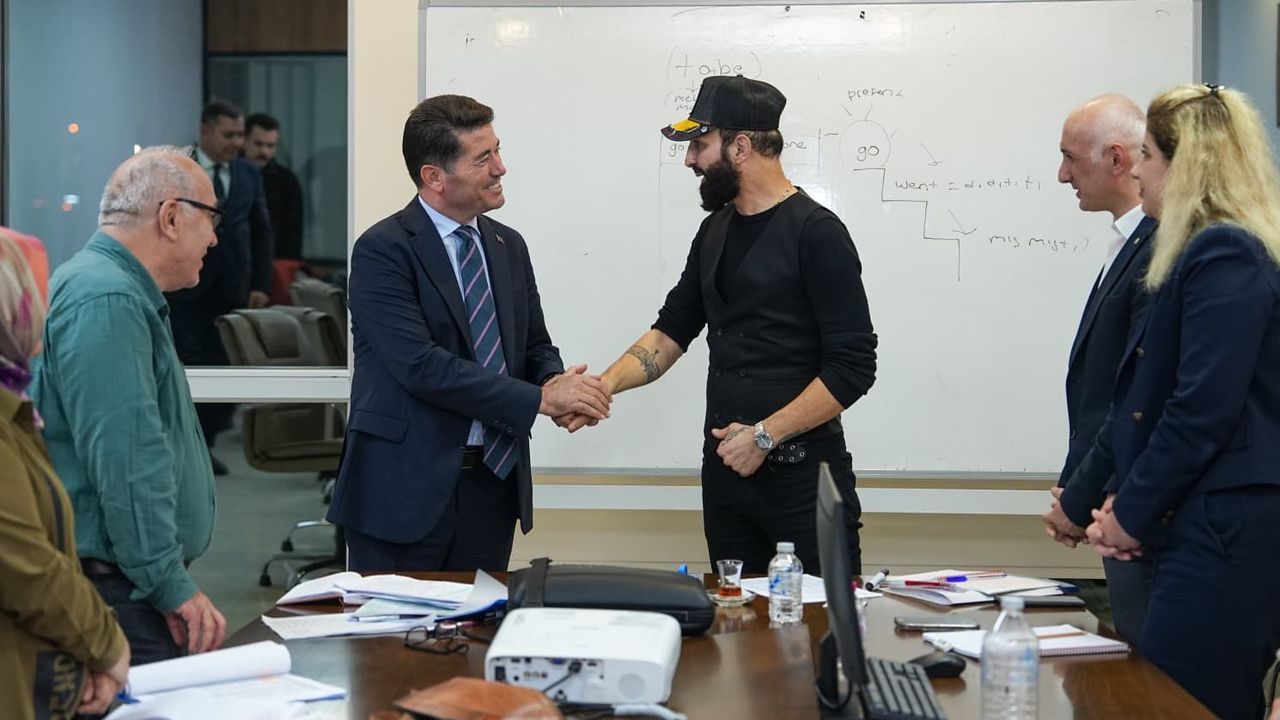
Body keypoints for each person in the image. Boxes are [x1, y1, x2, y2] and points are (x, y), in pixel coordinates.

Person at [576, 75, 876, 574]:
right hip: (726, 478)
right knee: (735, 616)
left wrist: (764, 436)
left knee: (816, 619)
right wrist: (601, 388)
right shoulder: (713, 231)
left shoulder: (817, 233)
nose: (689, 160)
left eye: (699, 144)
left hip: (802, 480)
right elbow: (671, 332)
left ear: (740, 147)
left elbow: (853, 367)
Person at [327, 94, 611, 572]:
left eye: (497, 150)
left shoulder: (507, 245)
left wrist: (556, 382)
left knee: (483, 619)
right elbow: (421, 367)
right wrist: (542, 400)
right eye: (483, 158)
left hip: (493, 484)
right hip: (404, 493)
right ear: (434, 176)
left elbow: (533, 344)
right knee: (395, 624)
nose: (501, 168)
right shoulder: (383, 250)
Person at [1079, 83, 1280, 719]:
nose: (1137, 170)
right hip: (1200, 522)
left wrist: (1132, 515)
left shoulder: (1227, 251)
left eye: (1148, 155)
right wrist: (1127, 505)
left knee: (1181, 702)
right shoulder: (1202, 250)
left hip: (1227, 533)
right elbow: (1149, 398)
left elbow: (1200, 410)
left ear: (1185, 164)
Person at [32, 147, 228, 665]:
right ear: (171, 216)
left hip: (127, 581)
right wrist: (168, 583)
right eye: (211, 218)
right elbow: (126, 460)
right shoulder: (107, 299)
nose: (214, 238)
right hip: (115, 589)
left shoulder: (116, 290)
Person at [0, 230, 131, 719]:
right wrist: (106, 647)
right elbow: (29, 567)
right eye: (34, 295)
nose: (46, 310)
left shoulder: (14, 405)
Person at [1040, 94, 1156, 643]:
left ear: (1116, 158)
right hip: (1113, 499)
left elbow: (1134, 397)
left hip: (1134, 506)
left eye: (1070, 158)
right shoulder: (1128, 242)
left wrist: (1082, 493)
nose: (1062, 175)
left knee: (1155, 673)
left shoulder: (1159, 248)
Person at [168, 100, 274, 475]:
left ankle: (205, 443)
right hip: (186, 287)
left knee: (227, 363)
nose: (236, 142)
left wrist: (261, 282)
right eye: (229, 134)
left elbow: (261, 229)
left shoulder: (247, 173)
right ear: (206, 131)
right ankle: (189, 448)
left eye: (240, 135)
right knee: (192, 364)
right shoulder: (180, 168)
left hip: (233, 287)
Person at [244, 112, 305, 261]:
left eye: (270, 145)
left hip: (274, 262)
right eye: (258, 144)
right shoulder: (229, 174)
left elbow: (293, 232)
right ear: (244, 141)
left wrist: (288, 265)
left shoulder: (287, 181)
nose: (264, 151)